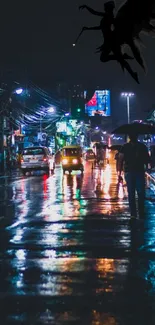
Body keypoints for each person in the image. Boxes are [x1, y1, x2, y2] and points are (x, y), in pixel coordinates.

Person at [118, 133, 150, 219]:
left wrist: (119, 173)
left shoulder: (125, 147)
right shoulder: (142, 146)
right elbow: (147, 159)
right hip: (137, 171)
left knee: (132, 193)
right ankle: (139, 212)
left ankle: (134, 213)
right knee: (139, 193)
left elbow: (120, 160)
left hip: (131, 172)